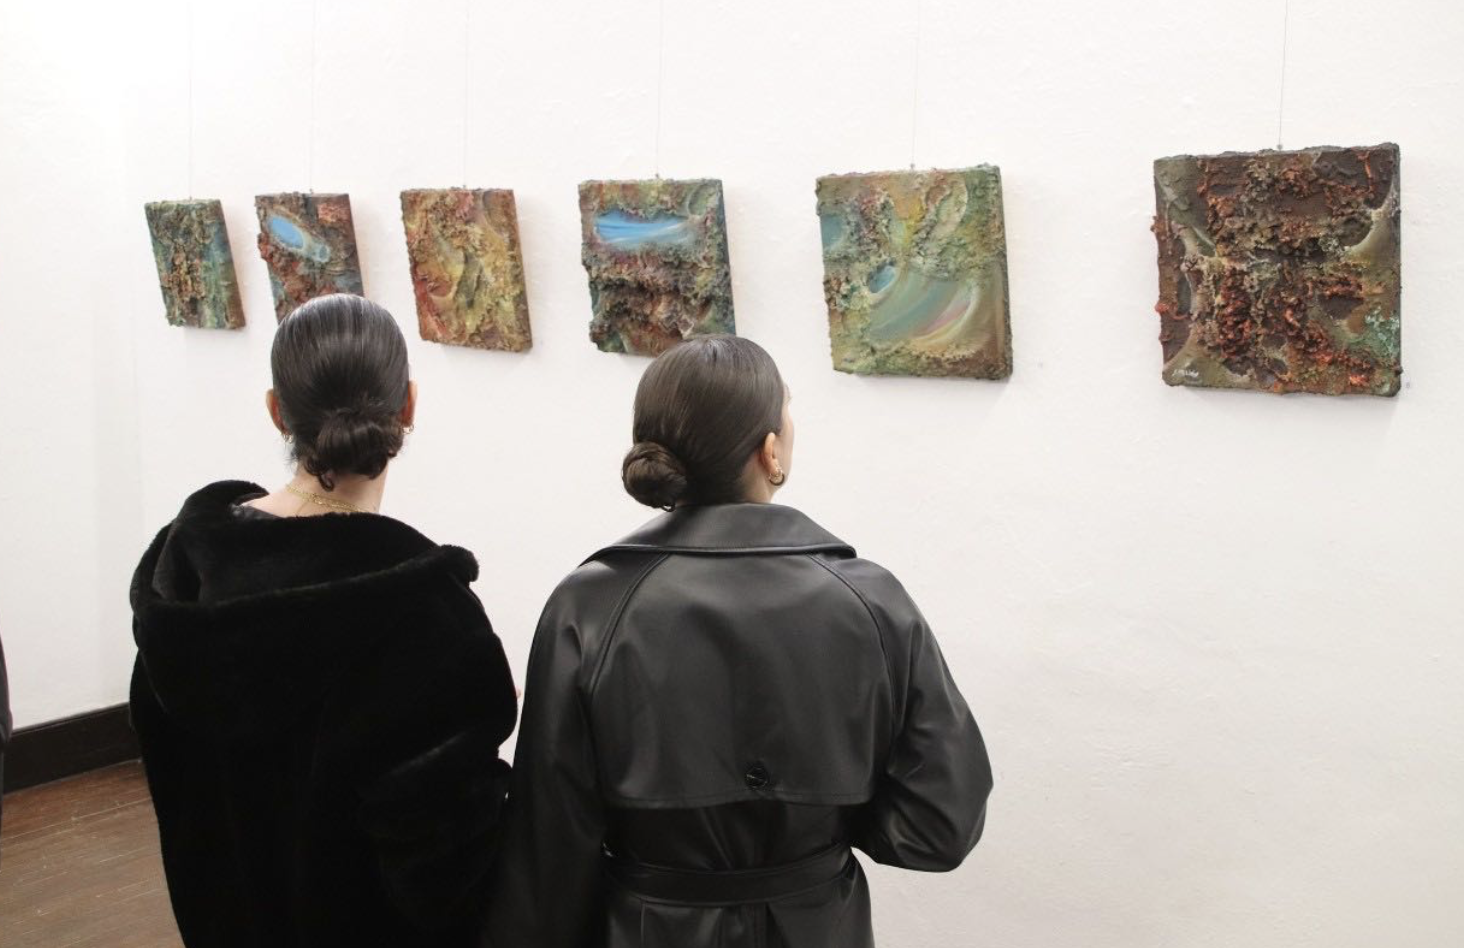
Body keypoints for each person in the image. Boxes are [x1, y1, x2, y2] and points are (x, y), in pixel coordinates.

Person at [484, 335, 992, 948]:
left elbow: (548, 851)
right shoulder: (871, 601)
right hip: (819, 927)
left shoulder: (588, 606)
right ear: (770, 451)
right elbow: (941, 824)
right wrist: (822, 821)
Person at [129, 294, 516, 948]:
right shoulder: (427, 615)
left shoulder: (186, 578)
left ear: (277, 411)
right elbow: (446, 876)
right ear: (408, 406)